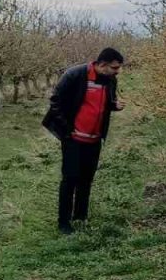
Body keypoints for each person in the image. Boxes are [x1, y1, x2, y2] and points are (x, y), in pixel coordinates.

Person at [41, 48, 126, 234]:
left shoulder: (110, 79)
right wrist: (66, 130)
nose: (117, 71)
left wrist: (114, 106)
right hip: (74, 138)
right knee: (70, 179)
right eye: (114, 68)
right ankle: (63, 222)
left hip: (94, 139)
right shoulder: (75, 75)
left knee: (86, 179)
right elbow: (55, 101)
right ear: (102, 64)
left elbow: (104, 103)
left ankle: (80, 216)